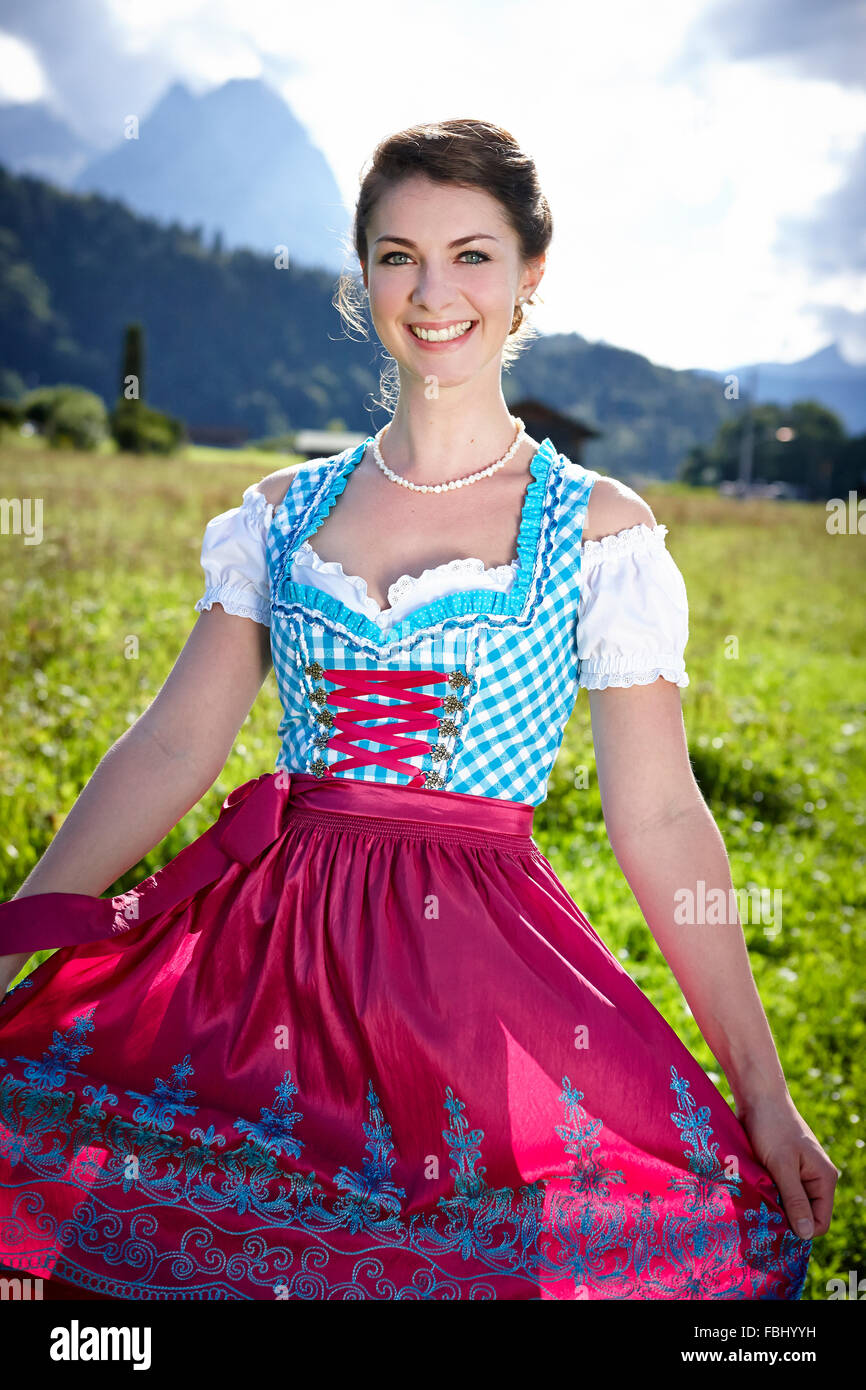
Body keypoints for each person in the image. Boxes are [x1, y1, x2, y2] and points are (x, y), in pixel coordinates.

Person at [0, 118, 836, 1302]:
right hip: (268, 960)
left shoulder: (593, 528)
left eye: (471, 254)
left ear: (527, 273)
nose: (432, 291)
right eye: (397, 256)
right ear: (362, 277)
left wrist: (760, 1087)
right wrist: (22, 935)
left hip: (471, 974)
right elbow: (176, 742)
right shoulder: (281, 512)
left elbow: (655, 814)